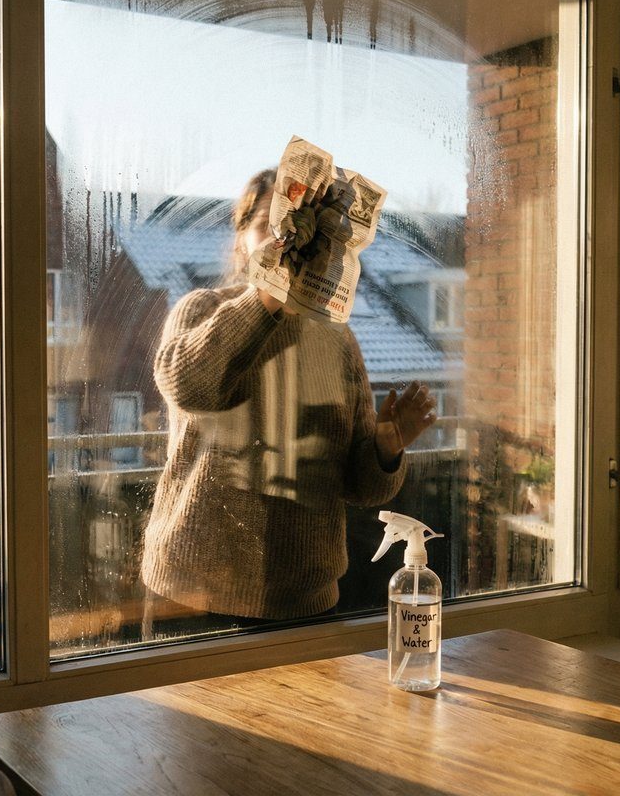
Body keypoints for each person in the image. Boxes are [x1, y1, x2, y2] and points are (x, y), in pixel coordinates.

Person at [140, 169, 437, 627]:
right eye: (270, 223)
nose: (288, 238)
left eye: (304, 228)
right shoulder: (202, 308)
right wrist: (265, 294)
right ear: (241, 242)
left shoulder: (337, 340)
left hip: (305, 599)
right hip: (192, 592)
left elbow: (362, 490)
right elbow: (187, 385)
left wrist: (387, 446)